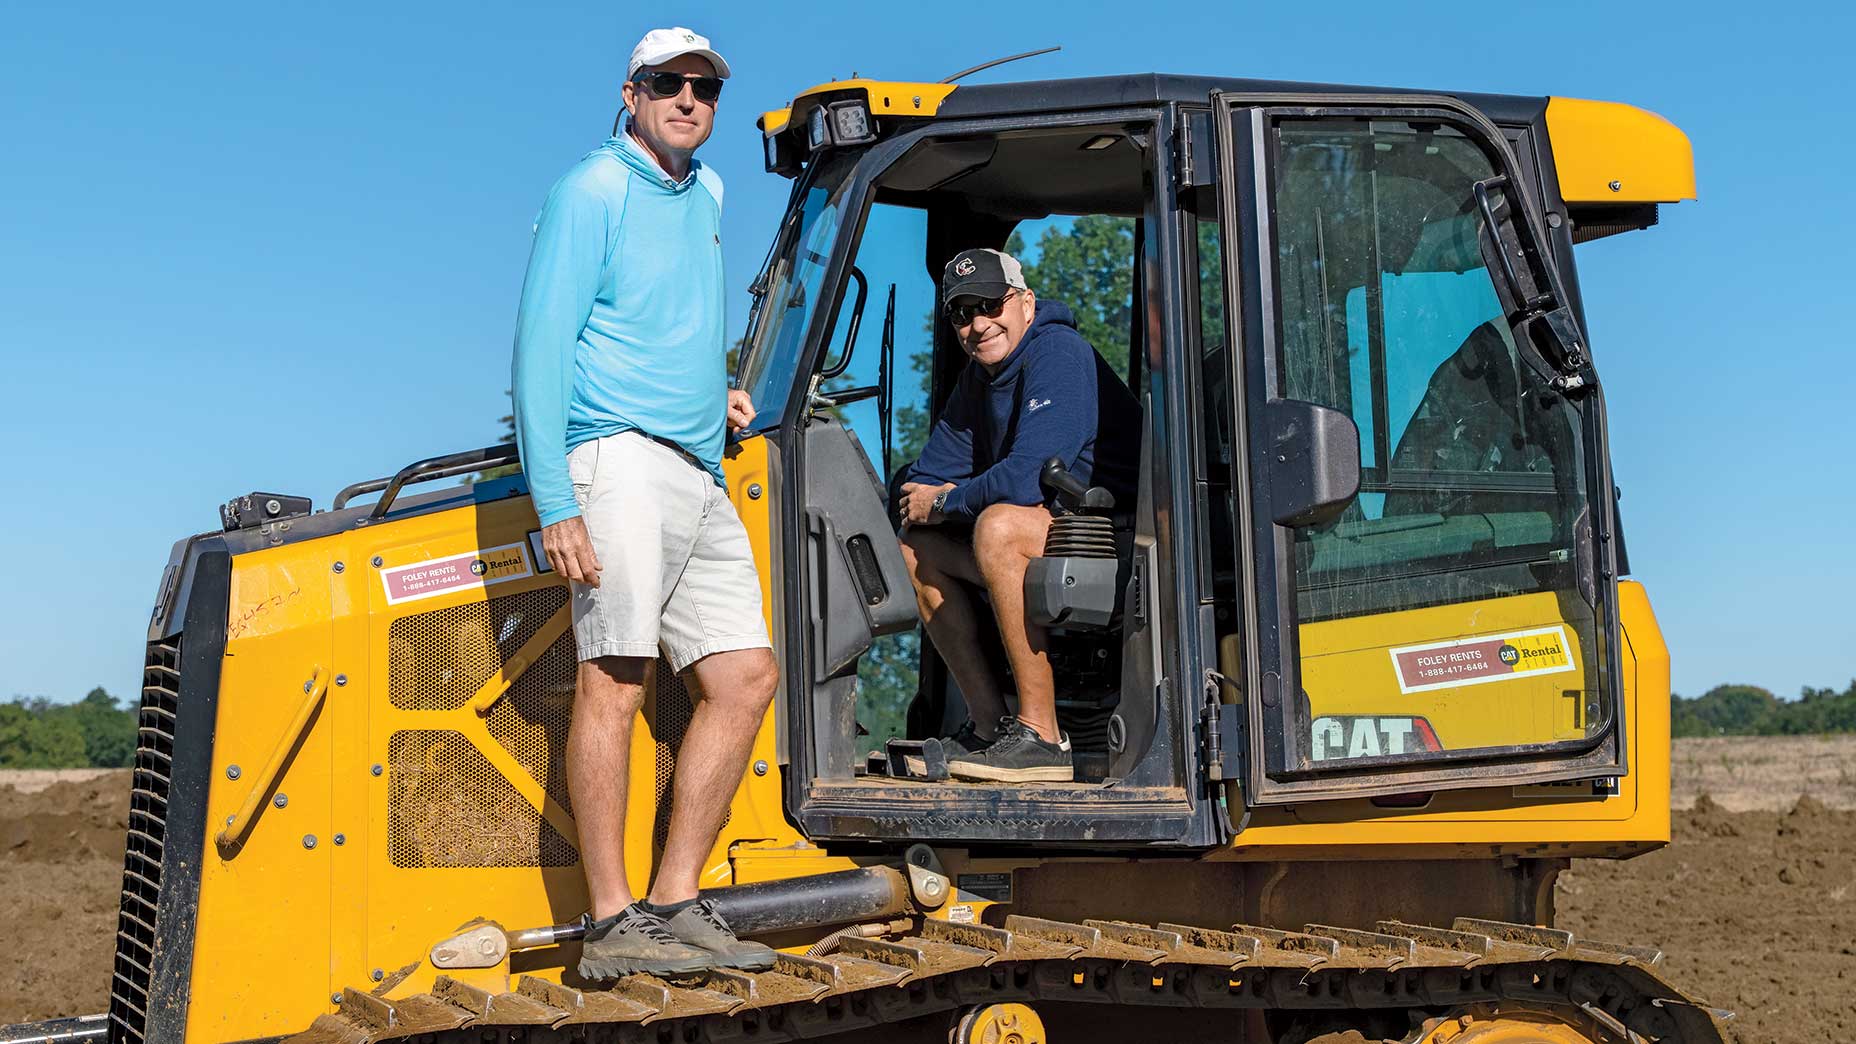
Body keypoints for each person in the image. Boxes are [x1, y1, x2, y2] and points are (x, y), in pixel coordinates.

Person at [510, 26, 778, 980]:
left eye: (705, 88)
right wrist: (556, 501)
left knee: (746, 675)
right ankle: (610, 921)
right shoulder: (592, 189)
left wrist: (716, 392)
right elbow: (543, 344)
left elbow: (668, 318)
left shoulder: (705, 191)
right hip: (614, 460)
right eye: (668, 84)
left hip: (698, 465)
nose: (689, 100)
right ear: (631, 93)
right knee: (614, 680)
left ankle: (676, 898)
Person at [896, 248, 1141, 783]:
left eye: (990, 304)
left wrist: (943, 501)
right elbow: (926, 474)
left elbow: (1028, 477)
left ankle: (1042, 736)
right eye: (962, 314)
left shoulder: (1058, 353)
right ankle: (988, 727)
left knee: (1000, 526)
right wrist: (930, 500)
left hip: (1119, 542)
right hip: (1060, 537)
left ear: (1025, 302)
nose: (979, 324)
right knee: (918, 547)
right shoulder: (979, 381)